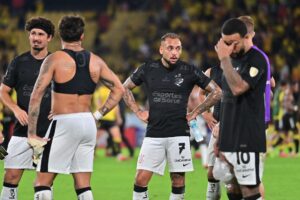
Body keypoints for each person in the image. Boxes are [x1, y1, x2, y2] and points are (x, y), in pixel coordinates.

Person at [27, 15, 124, 200]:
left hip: (64, 122)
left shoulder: (54, 59)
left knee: (42, 182)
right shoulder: (96, 61)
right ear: (82, 36)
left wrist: (32, 133)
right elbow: (119, 89)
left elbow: (36, 95)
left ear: (59, 36)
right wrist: (98, 115)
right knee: (83, 185)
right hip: (87, 124)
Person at [123, 32, 222, 200]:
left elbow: (217, 91)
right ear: (161, 50)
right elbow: (124, 88)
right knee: (141, 179)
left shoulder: (189, 70)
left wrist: (196, 112)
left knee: (178, 180)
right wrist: (138, 111)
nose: (174, 52)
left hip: (179, 133)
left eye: (178, 48)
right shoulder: (148, 68)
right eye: (170, 48)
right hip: (154, 133)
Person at [0, 17, 54, 200]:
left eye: (40, 34)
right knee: (11, 176)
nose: (36, 38)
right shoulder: (18, 62)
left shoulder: (57, 62)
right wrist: (15, 109)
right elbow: (3, 91)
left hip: (50, 131)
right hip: (22, 130)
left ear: (49, 38)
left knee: (44, 182)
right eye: (33, 33)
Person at [215, 18, 268, 200]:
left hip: (247, 136)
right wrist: (221, 137)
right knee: (233, 190)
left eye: (232, 43)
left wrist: (224, 59)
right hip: (229, 135)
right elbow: (226, 100)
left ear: (246, 37)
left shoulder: (257, 59)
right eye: (225, 43)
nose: (228, 48)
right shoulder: (230, 60)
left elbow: (238, 88)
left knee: (249, 190)